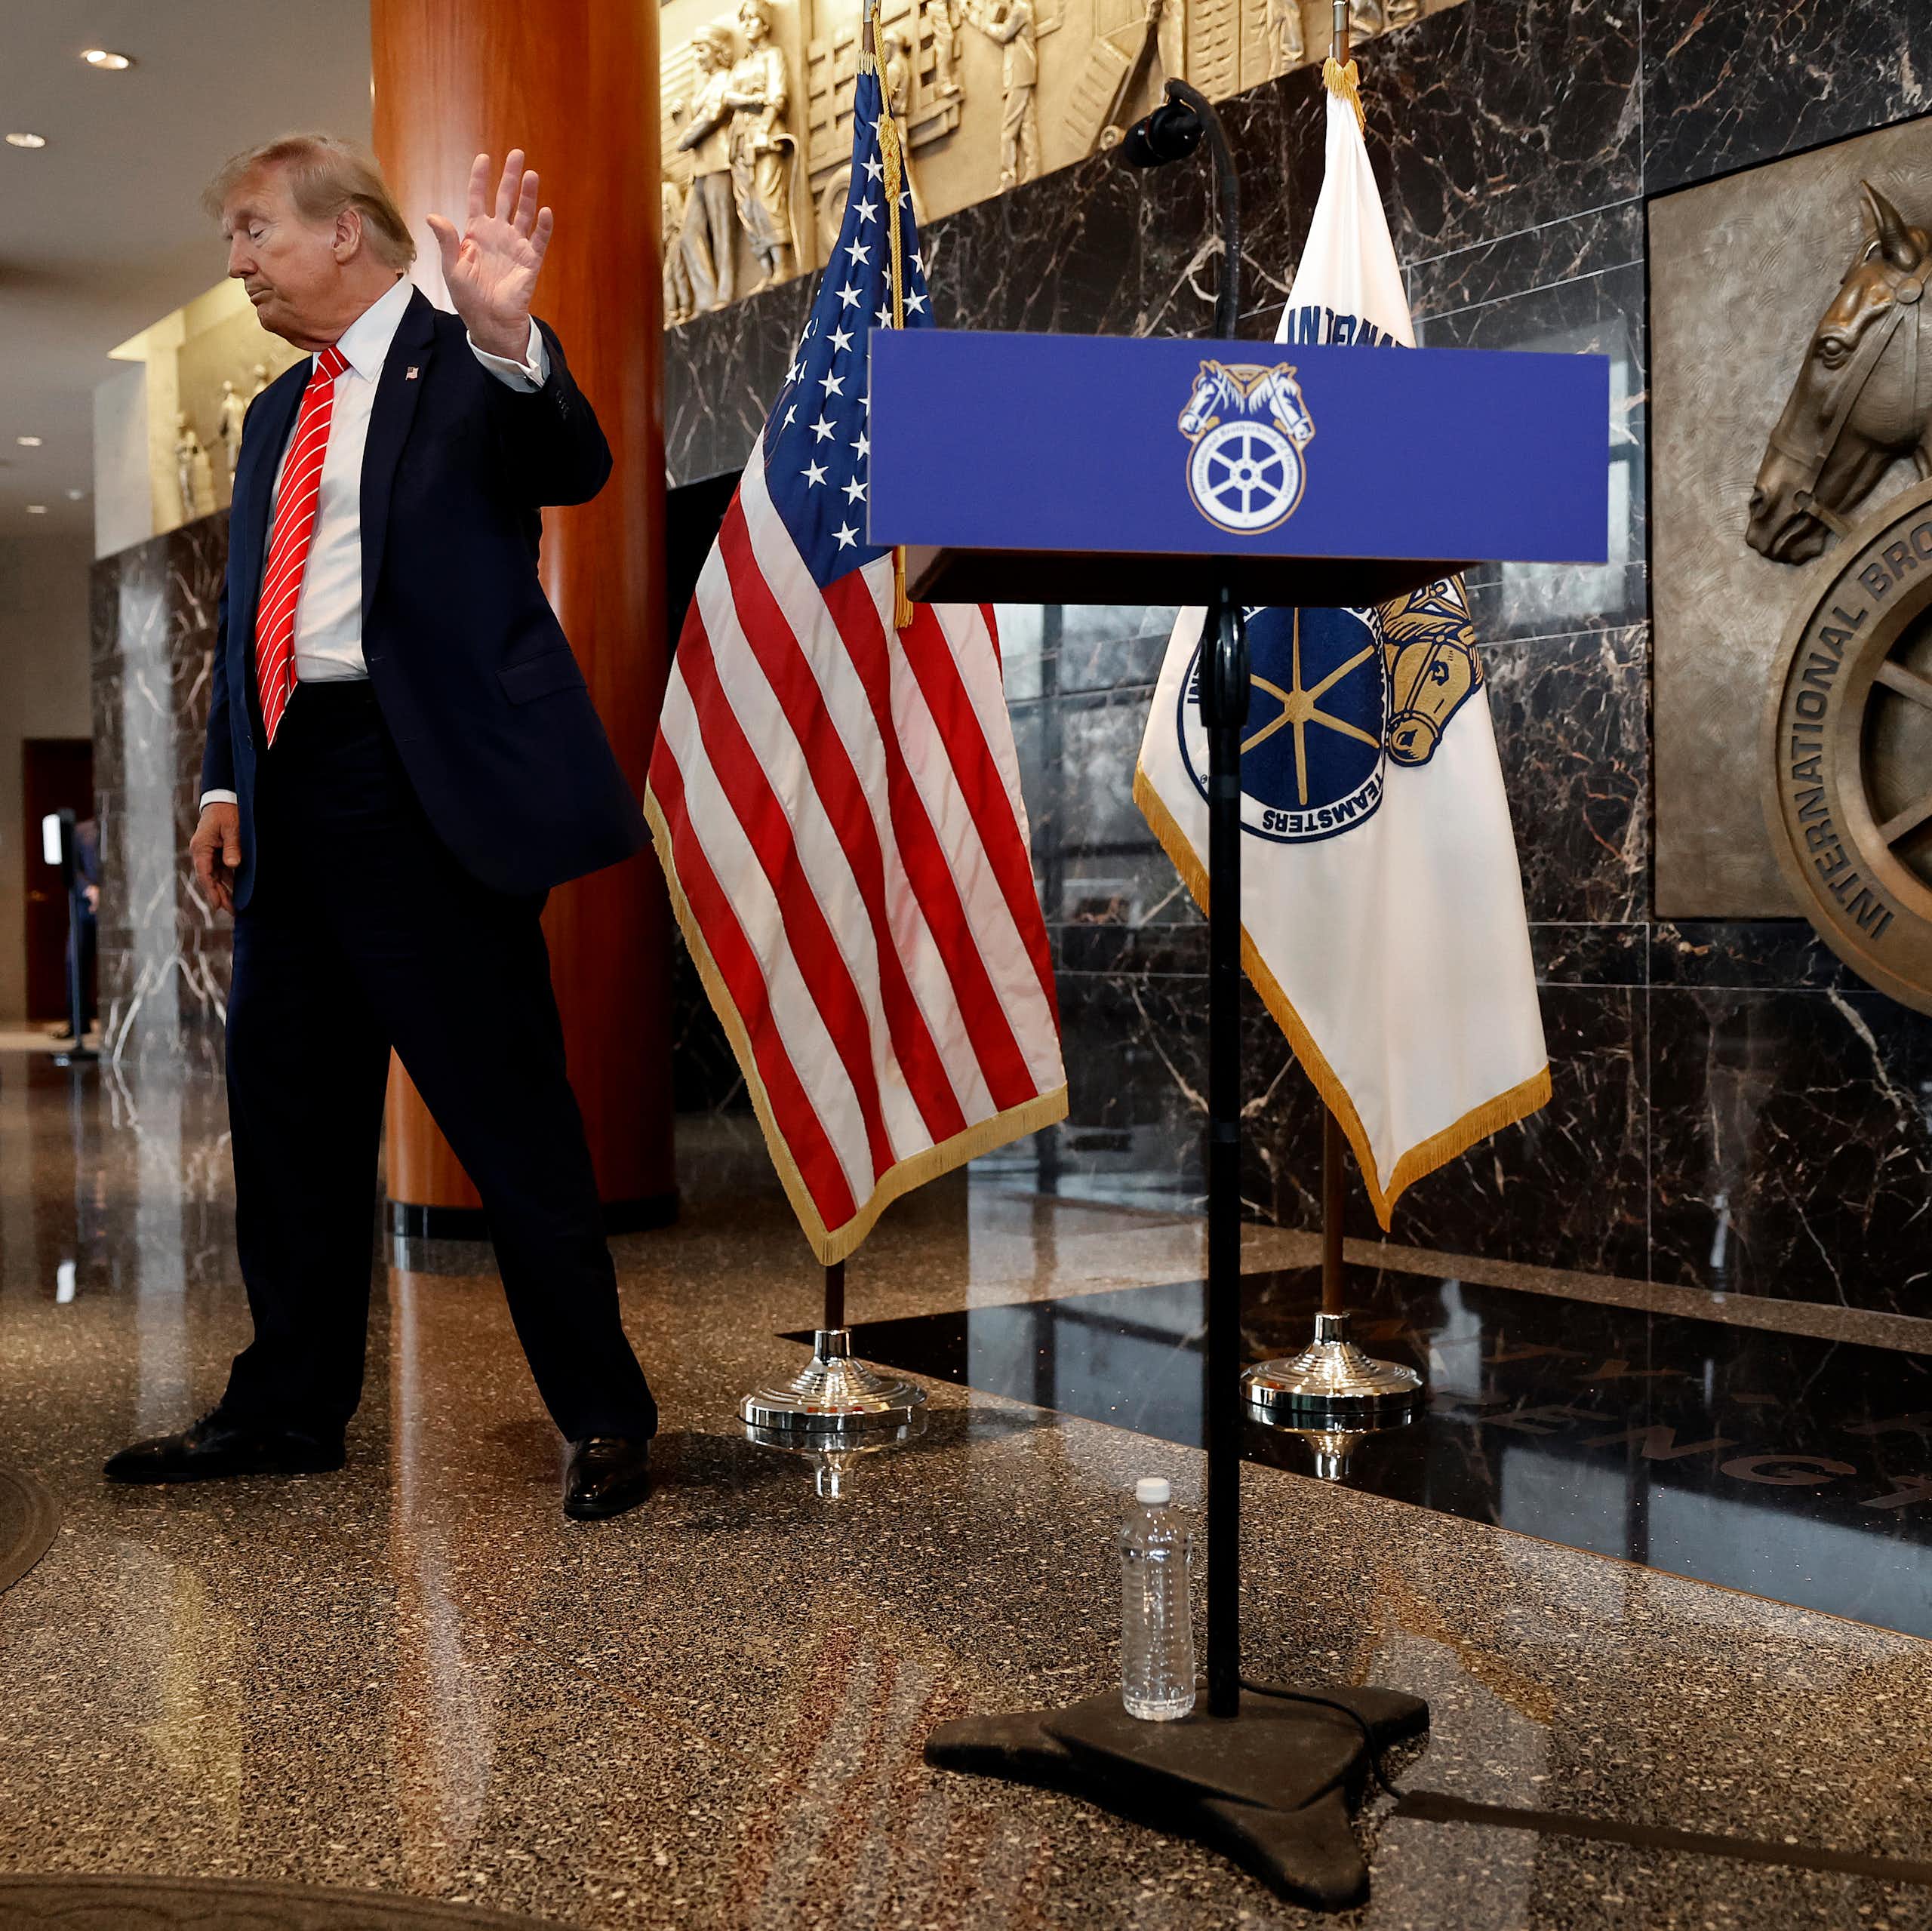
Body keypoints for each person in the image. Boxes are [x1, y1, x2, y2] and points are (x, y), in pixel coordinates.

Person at [103, 135, 658, 1523]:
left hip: (427, 796)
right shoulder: (279, 410)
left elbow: (572, 461)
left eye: (251, 232)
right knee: (288, 1121)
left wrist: (514, 334)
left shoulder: (463, 347)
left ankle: (603, 1414)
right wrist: (231, 780)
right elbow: (252, 615)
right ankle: (288, 1409)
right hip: (293, 792)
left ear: (344, 232)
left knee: (508, 1121)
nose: (234, 263)